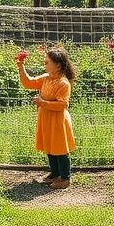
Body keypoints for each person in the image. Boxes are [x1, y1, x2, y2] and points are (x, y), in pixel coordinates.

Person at [15, 46, 77, 189]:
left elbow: (62, 105)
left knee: (60, 149)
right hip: (47, 118)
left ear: (58, 65)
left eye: (47, 62)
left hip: (59, 121)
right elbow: (28, 83)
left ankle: (65, 178)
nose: (45, 64)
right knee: (49, 146)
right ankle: (55, 174)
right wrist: (21, 67)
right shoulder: (46, 78)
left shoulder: (63, 83)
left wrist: (43, 102)